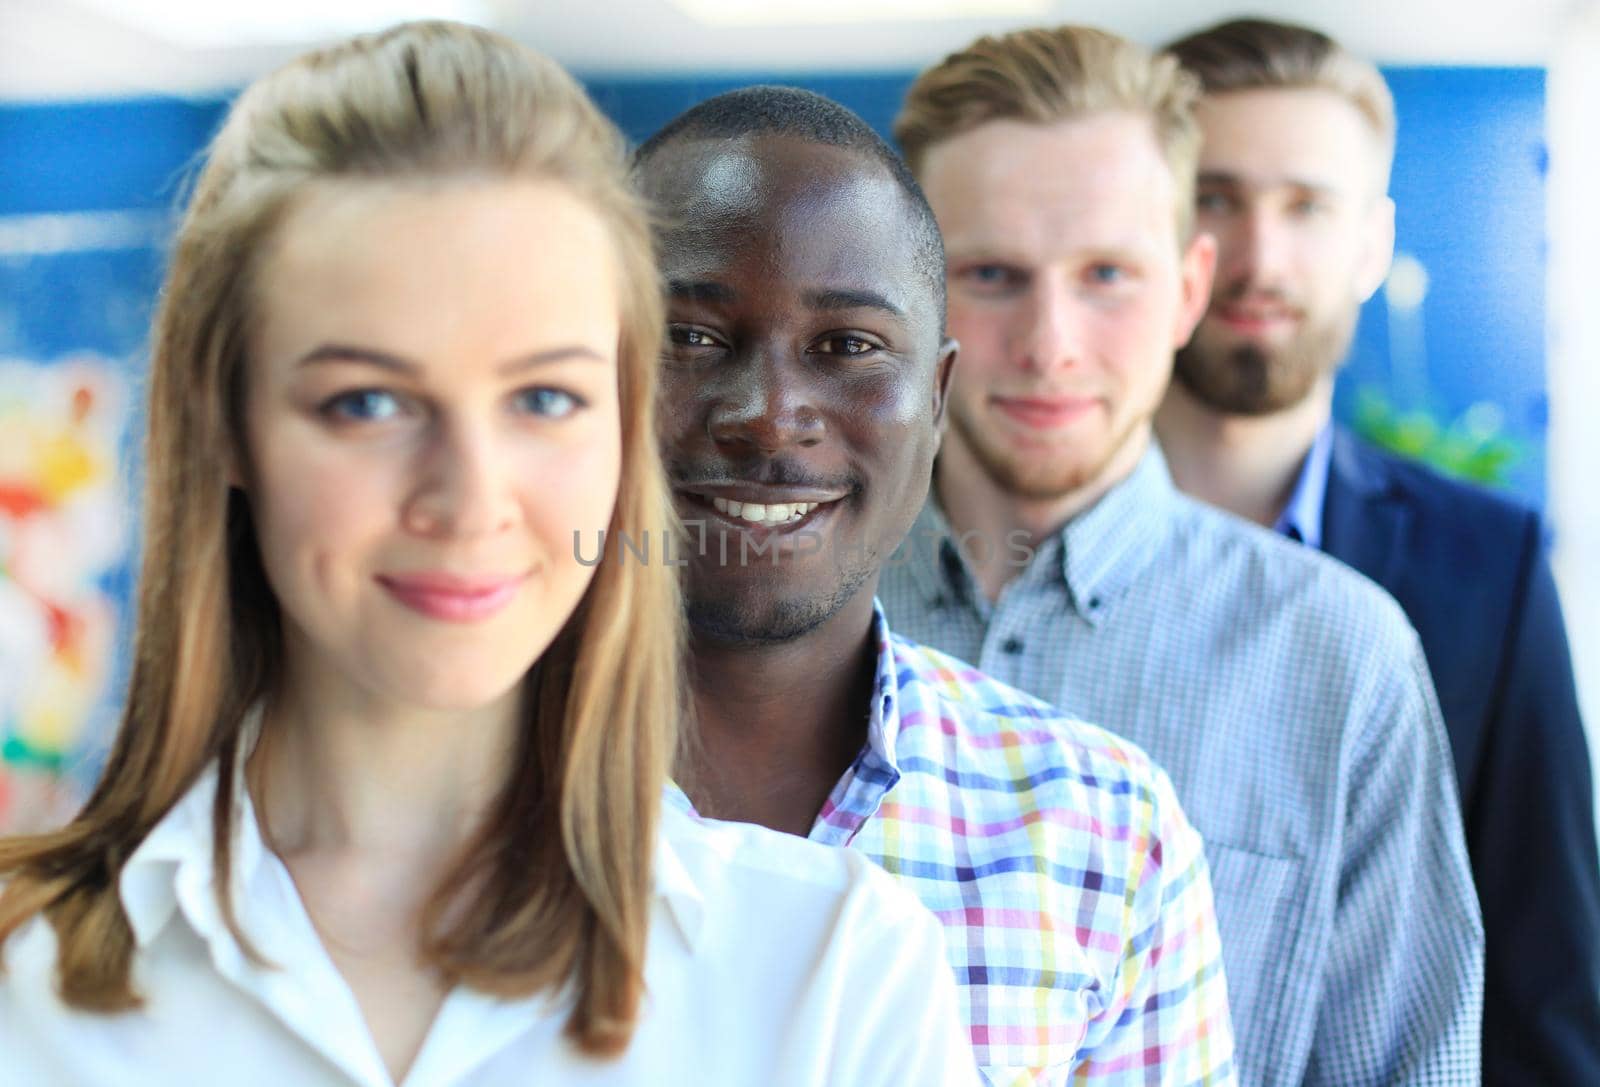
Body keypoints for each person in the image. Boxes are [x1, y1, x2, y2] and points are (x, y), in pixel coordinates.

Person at [0, 22, 979, 1087]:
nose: (470, 498)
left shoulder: (832, 974)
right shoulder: (24, 979)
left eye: (543, 397)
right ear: (224, 419)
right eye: (367, 401)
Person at [878, 25, 1485, 1085]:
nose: (1051, 341)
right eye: (991, 273)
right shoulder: (765, 617)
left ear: (1190, 289)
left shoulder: (1342, 658)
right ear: (908, 285)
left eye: (1107, 273)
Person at [634, 85, 1236, 1085]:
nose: (769, 416)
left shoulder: (1102, 832)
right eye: (690, 338)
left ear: (938, 400)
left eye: (848, 347)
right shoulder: (434, 785)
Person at [1158, 18, 1600, 1084]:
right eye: (1214, 197)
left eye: (1306, 204)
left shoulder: (1484, 565)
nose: (1260, 256)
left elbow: (1546, 980)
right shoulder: (1014, 540)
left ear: (1371, 244)